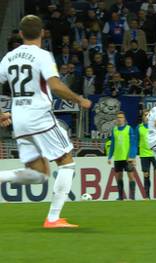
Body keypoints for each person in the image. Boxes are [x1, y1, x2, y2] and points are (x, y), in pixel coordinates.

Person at [0, 15, 92, 228]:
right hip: (39, 116)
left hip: (20, 120)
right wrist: (79, 99)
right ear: (42, 33)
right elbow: (56, 85)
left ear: (20, 34)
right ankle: (53, 218)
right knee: (67, 163)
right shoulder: (42, 56)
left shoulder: (9, 57)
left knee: (39, 175)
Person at [107, 111, 138, 200]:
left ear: (124, 119)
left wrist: (132, 156)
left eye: (121, 117)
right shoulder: (114, 130)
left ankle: (132, 197)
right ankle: (121, 196)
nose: (119, 119)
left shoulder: (129, 129)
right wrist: (109, 156)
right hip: (118, 158)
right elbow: (113, 144)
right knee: (119, 177)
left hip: (127, 158)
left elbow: (133, 144)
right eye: (118, 117)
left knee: (131, 176)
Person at [136, 109, 156, 199]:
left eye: (149, 115)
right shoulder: (139, 128)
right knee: (146, 175)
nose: (147, 117)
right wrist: (133, 155)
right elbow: (135, 142)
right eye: (145, 115)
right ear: (142, 117)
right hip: (144, 155)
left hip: (155, 154)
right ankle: (147, 196)